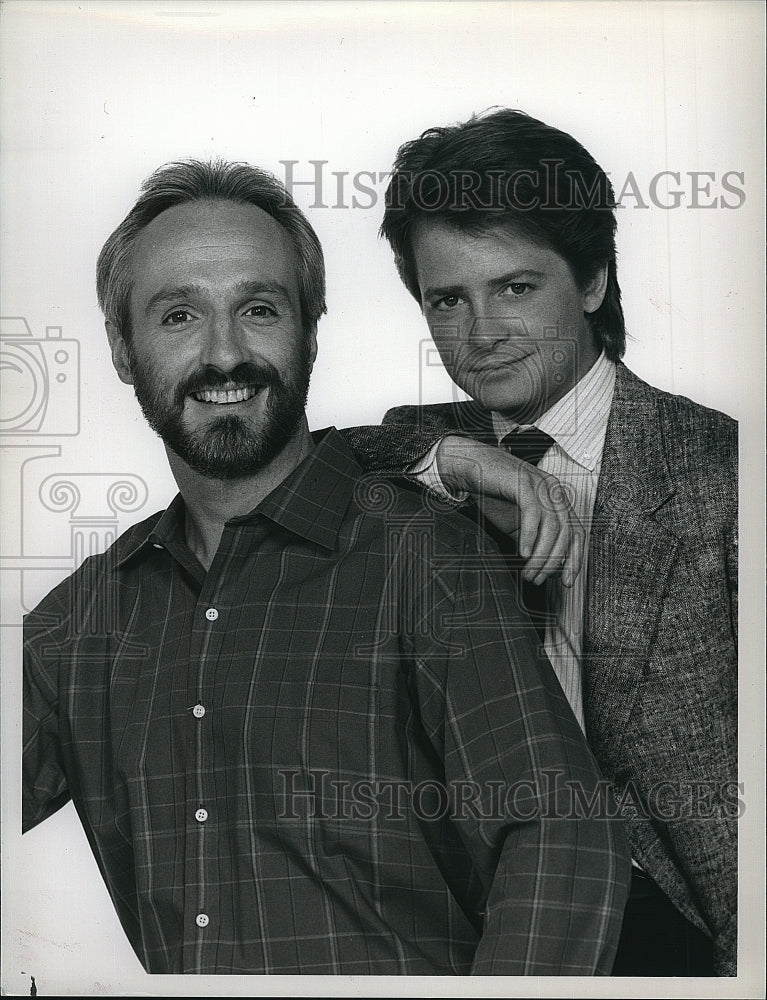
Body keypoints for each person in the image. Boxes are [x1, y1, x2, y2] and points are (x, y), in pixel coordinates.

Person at [22, 158, 630, 976]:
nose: (224, 353)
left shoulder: (421, 554)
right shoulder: (81, 619)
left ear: (310, 331)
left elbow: (556, 832)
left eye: (260, 309)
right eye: (177, 315)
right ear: (123, 350)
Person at [342, 109, 738, 976]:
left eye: (516, 288)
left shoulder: (723, 473)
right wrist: (451, 457)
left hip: (677, 922)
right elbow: (308, 460)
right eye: (448, 299)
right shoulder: (420, 446)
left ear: (592, 280)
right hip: (473, 921)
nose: (480, 333)